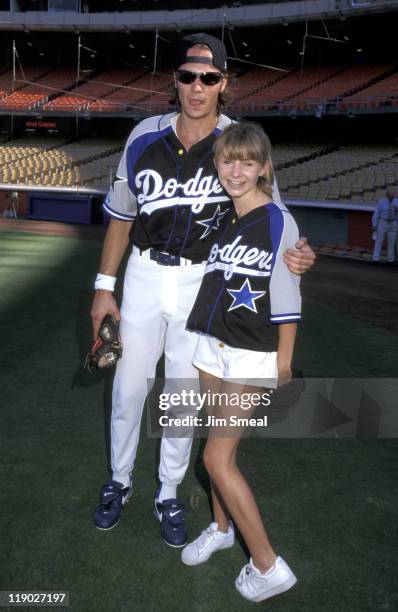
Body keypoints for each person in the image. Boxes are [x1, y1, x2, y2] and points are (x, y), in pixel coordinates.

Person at [91, 32, 315, 545]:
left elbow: (272, 216)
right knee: (127, 388)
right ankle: (119, 481)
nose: (198, 86)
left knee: (183, 396)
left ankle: (168, 491)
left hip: (203, 281)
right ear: (175, 81)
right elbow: (123, 218)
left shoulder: (239, 144)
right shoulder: (143, 137)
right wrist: (105, 287)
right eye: (188, 76)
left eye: (209, 78)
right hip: (145, 273)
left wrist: (303, 251)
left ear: (223, 84)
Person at [182, 122, 300, 603]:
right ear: (217, 164)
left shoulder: (278, 221)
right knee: (218, 449)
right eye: (227, 160)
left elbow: (290, 297)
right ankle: (220, 527)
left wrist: (284, 364)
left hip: (253, 351)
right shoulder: (225, 218)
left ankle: (268, 565)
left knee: (215, 458)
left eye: (247, 162)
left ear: (264, 168)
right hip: (213, 345)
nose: (235, 170)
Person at [372, 189, 397, 263]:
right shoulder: (381, 202)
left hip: (393, 222)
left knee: (391, 242)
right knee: (379, 240)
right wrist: (374, 224)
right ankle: (376, 258)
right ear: (387, 196)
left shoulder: (396, 201)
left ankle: (390, 259)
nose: (391, 198)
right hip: (383, 221)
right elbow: (376, 213)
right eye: (390, 197)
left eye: (392, 196)